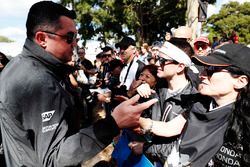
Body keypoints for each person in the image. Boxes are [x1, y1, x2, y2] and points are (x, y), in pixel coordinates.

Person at [0, 1, 158, 166]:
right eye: (69, 37)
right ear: (42, 38)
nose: (75, 43)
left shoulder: (17, 67)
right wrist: (113, 123)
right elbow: (53, 158)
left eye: (75, 37)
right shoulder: (38, 82)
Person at [139, 43, 250, 166]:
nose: (202, 75)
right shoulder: (200, 103)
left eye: (211, 70)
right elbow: (171, 127)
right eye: (204, 68)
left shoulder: (244, 123)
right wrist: (136, 119)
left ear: (241, 82)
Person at [130, 41, 198, 166]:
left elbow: (182, 146)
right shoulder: (159, 88)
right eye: (157, 58)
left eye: (162, 60)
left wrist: (146, 147)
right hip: (149, 159)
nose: (156, 64)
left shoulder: (193, 100)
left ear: (180, 67)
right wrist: (139, 95)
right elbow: (148, 121)